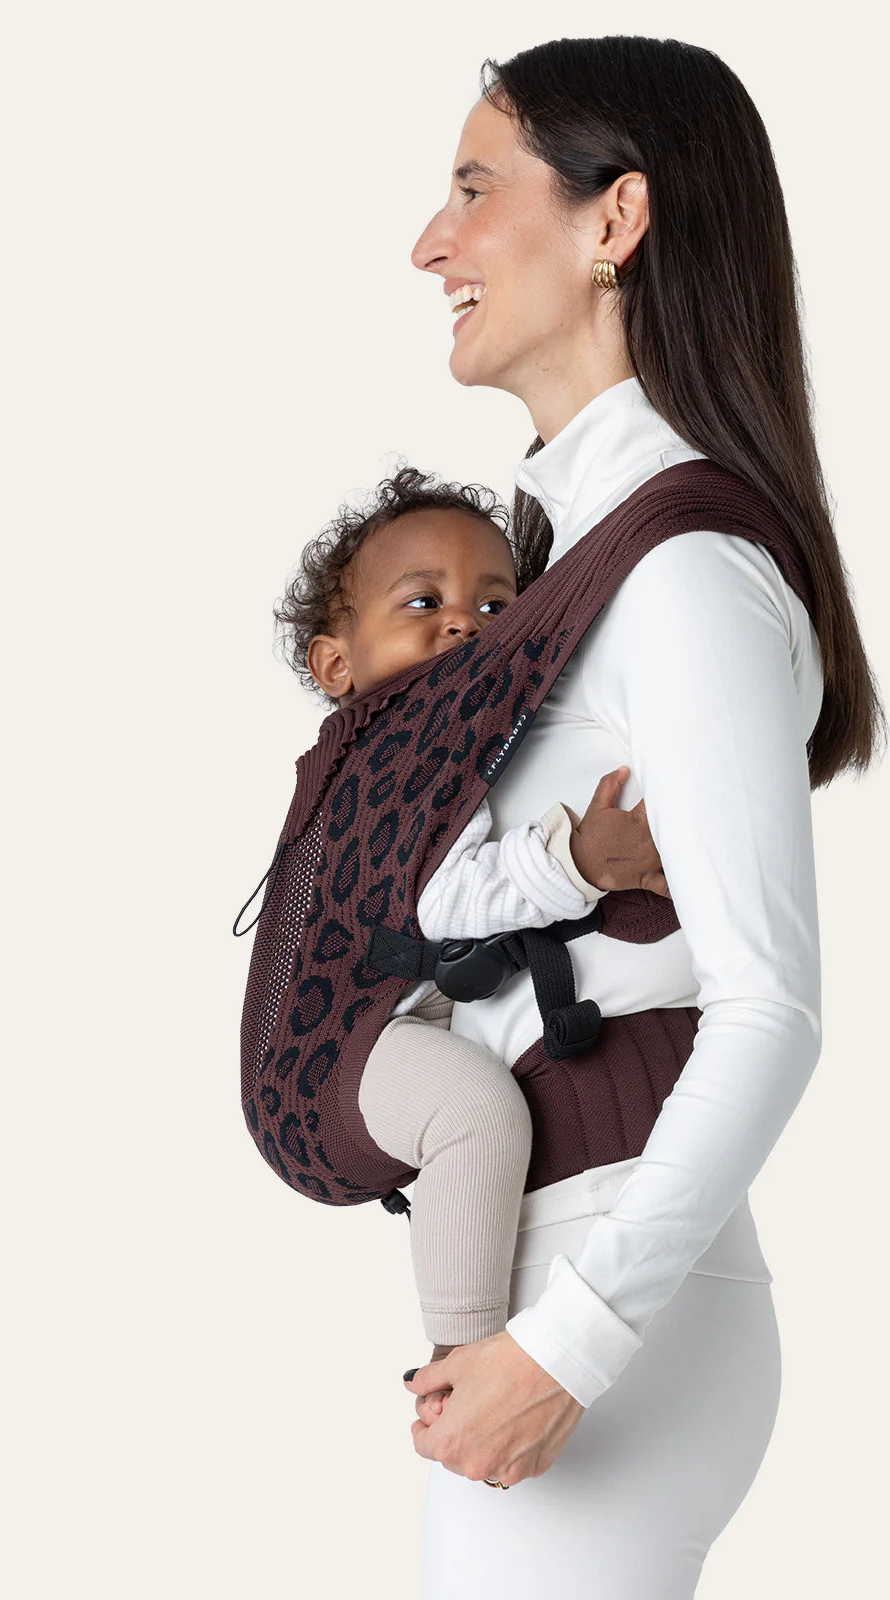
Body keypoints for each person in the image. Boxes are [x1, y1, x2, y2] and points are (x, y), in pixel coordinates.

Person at [402, 36, 883, 1598]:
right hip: (574, 1253)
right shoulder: (577, 550)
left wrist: (569, 1344)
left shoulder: (681, 574)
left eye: (475, 189)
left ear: (615, 221)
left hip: (607, 1282)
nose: (430, 244)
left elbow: (771, 1009)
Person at [272, 462, 669, 1368]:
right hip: (330, 1065)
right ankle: (461, 1359)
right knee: (478, 1114)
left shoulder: (453, 732)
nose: (463, 622)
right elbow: (438, 900)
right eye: (424, 602)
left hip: (391, 1034)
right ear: (337, 664)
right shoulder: (391, 753)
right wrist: (573, 861)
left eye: (496, 606)